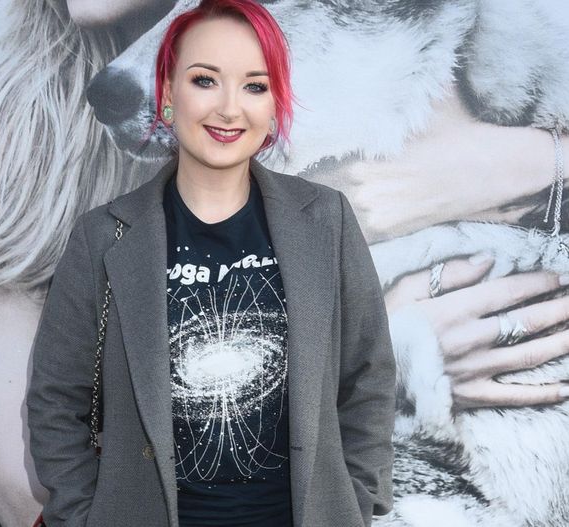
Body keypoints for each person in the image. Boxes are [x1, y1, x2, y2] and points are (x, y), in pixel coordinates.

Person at [25, 1, 395, 525]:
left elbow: (367, 377)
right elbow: (56, 402)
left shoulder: (326, 219)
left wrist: (356, 502)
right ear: (167, 95)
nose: (228, 109)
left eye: (255, 86)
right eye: (205, 80)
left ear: (275, 104)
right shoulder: (102, 236)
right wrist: (87, 516)